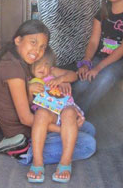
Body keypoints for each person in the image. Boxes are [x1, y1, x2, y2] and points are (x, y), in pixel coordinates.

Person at [0, 20, 96, 183]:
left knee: (89, 129)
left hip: (38, 119)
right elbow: (26, 119)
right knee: (88, 144)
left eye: (42, 47)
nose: (37, 51)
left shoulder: (19, 58)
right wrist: (64, 129)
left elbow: (60, 75)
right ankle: (24, 153)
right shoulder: (12, 68)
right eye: (33, 42)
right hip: (24, 131)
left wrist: (62, 80)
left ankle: (65, 134)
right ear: (18, 40)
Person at [27, 47, 84, 183]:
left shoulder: (52, 73)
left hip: (64, 112)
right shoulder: (28, 79)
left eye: (47, 64)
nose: (43, 67)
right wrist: (29, 90)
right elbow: (28, 106)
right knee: (41, 113)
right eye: (38, 63)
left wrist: (62, 79)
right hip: (47, 119)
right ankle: (37, 162)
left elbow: (74, 75)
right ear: (30, 63)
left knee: (70, 112)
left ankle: (65, 161)